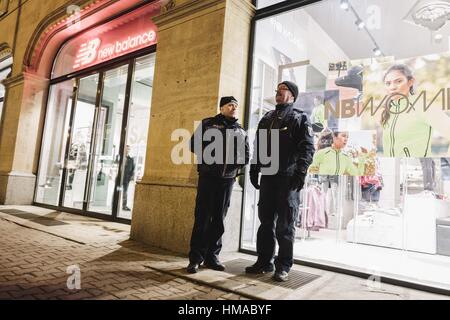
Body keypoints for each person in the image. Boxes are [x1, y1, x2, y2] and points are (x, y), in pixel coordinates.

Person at [247, 81, 315, 282]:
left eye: (282, 90)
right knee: (265, 222)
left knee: (285, 225)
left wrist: (300, 173)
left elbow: (308, 148)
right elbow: (258, 144)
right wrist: (254, 168)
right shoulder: (267, 118)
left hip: (288, 178)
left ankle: (283, 266)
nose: (278, 92)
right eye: (277, 90)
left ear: (292, 95)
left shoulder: (300, 118)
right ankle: (264, 262)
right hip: (268, 177)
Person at [187, 96, 249, 274]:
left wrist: (236, 163)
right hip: (208, 177)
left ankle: (212, 256)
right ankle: (195, 258)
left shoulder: (241, 130)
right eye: (230, 105)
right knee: (202, 218)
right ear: (221, 108)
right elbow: (193, 144)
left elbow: (246, 155)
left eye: (236, 105)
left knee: (219, 220)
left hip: (227, 180)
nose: (234, 108)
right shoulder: (208, 124)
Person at [381, 64, 450, 157]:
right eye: (388, 83)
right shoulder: (389, 111)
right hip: (389, 170)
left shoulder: (423, 106)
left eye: (398, 81)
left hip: (416, 169)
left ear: (410, 82)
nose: (392, 87)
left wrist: (445, 164)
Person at [122, 145, 135, 211]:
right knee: (117, 191)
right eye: (126, 149)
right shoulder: (120, 157)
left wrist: (130, 178)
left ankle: (124, 206)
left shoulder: (131, 159)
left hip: (126, 179)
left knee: (125, 192)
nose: (127, 150)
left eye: (128, 149)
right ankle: (114, 205)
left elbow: (133, 169)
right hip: (119, 178)